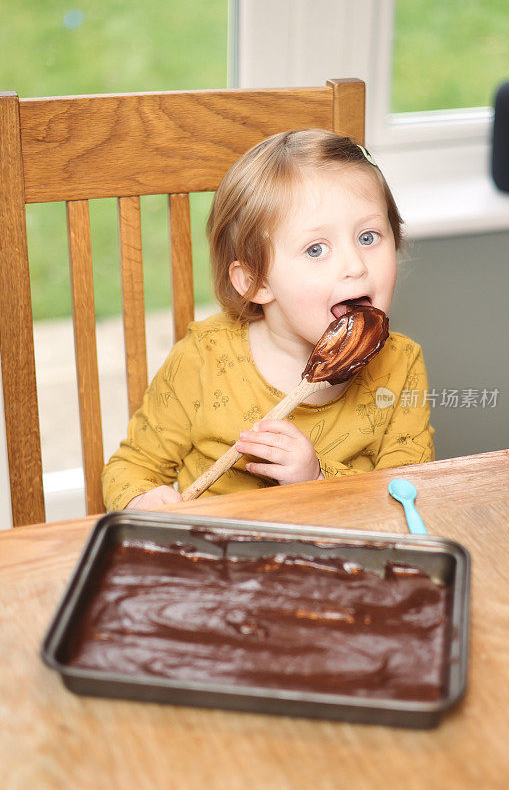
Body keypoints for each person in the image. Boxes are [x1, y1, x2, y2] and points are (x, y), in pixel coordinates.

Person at [102, 129, 435, 511]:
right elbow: (130, 468)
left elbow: (408, 493)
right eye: (316, 249)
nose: (355, 267)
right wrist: (142, 500)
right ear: (256, 282)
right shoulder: (203, 358)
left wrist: (317, 479)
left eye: (368, 237)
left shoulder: (400, 363)